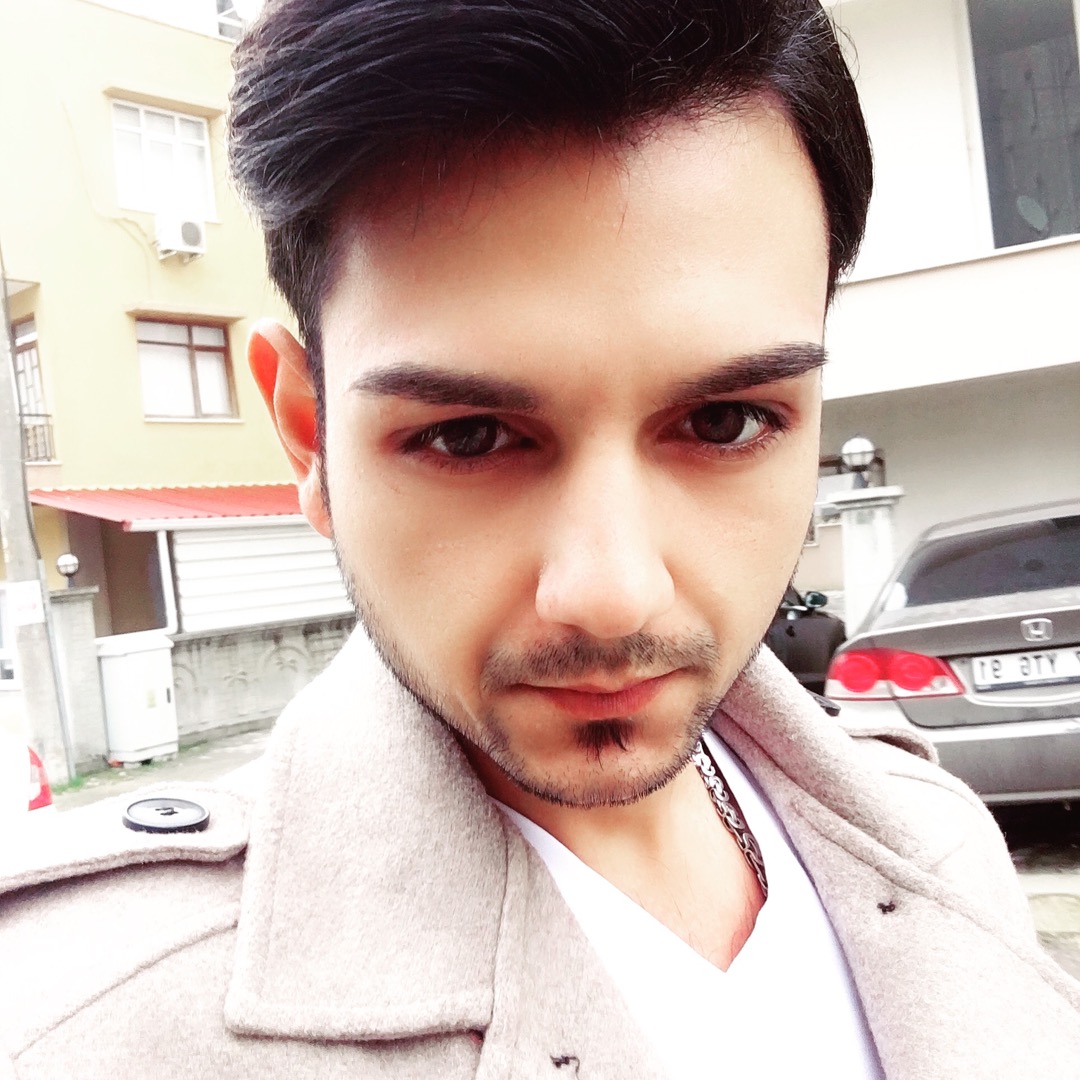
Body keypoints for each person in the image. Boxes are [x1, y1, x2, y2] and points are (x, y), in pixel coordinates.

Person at [3, 1, 1079, 1076]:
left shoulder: (938, 841)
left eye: (724, 422)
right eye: (469, 436)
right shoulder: (91, 1027)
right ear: (308, 436)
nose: (612, 593)